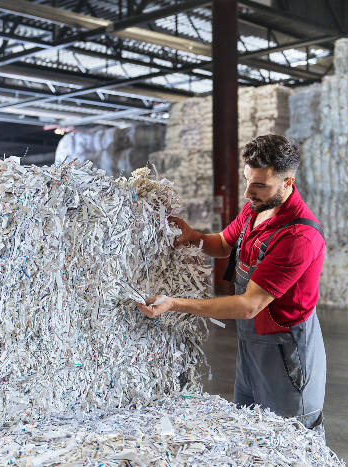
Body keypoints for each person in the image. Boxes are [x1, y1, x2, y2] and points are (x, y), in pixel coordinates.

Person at [136, 134, 327, 429]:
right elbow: (224, 244)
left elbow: (249, 305)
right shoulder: (256, 209)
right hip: (251, 348)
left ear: (288, 182)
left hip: (286, 354)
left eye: (260, 184)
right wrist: (195, 237)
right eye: (247, 180)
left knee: (290, 438)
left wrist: (174, 304)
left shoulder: (298, 236)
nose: (249, 191)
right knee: (250, 432)